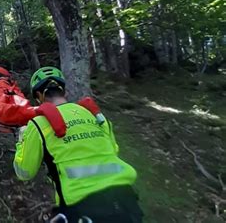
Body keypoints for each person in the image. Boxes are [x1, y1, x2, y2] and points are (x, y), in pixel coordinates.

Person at [13, 67, 143, 223]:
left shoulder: (39, 124)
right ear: (64, 92)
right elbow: (113, 150)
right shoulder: (95, 116)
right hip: (126, 201)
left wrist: (21, 140)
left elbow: (24, 172)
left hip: (82, 207)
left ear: (39, 97)